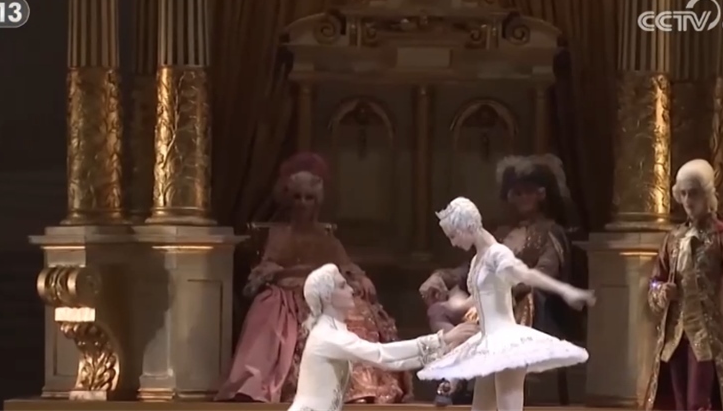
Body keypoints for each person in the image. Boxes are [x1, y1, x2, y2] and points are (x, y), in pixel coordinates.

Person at [217, 152, 410, 403]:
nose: (302, 204)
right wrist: (282, 275)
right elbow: (267, 267)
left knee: (357, 316)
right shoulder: (280, 235)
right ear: (288, 199)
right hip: (288, 293)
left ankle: (360, 388)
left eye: (308, 198)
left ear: (317, 202)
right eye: (297, 197)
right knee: (270, 316)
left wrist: (360, 278)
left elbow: (345, 265)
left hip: (326, 292)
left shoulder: (325, 237)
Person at [420, 154, 576, 405]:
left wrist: (501, 293)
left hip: (523, 307)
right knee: (440, 311)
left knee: (505, 396)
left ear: (541, 193)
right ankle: (459, 359)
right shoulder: (501, 234)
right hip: (486, 315)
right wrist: (440, 277)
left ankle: (456, 376)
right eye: (517, 193)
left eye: (528, 192)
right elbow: (469, 269)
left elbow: (542, 273)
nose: (523, 198)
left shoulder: (550, 232)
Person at [637, 159, 723, 411]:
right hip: (675, 335)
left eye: (694, 193)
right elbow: (655, 282)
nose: (688, 200)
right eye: (684, 193)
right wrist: (662, 291)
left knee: (699, 401)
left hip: (708, 334)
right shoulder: (673, 238)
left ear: (707, 195)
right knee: (678, 400)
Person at [288, 263, 479, 411]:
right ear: (327, 297)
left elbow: (390, 361)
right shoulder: (327, 336)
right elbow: (382, 355)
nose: (351, 290)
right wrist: (443, 340)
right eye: (342, 286)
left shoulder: (336, 330)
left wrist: (443, 345)